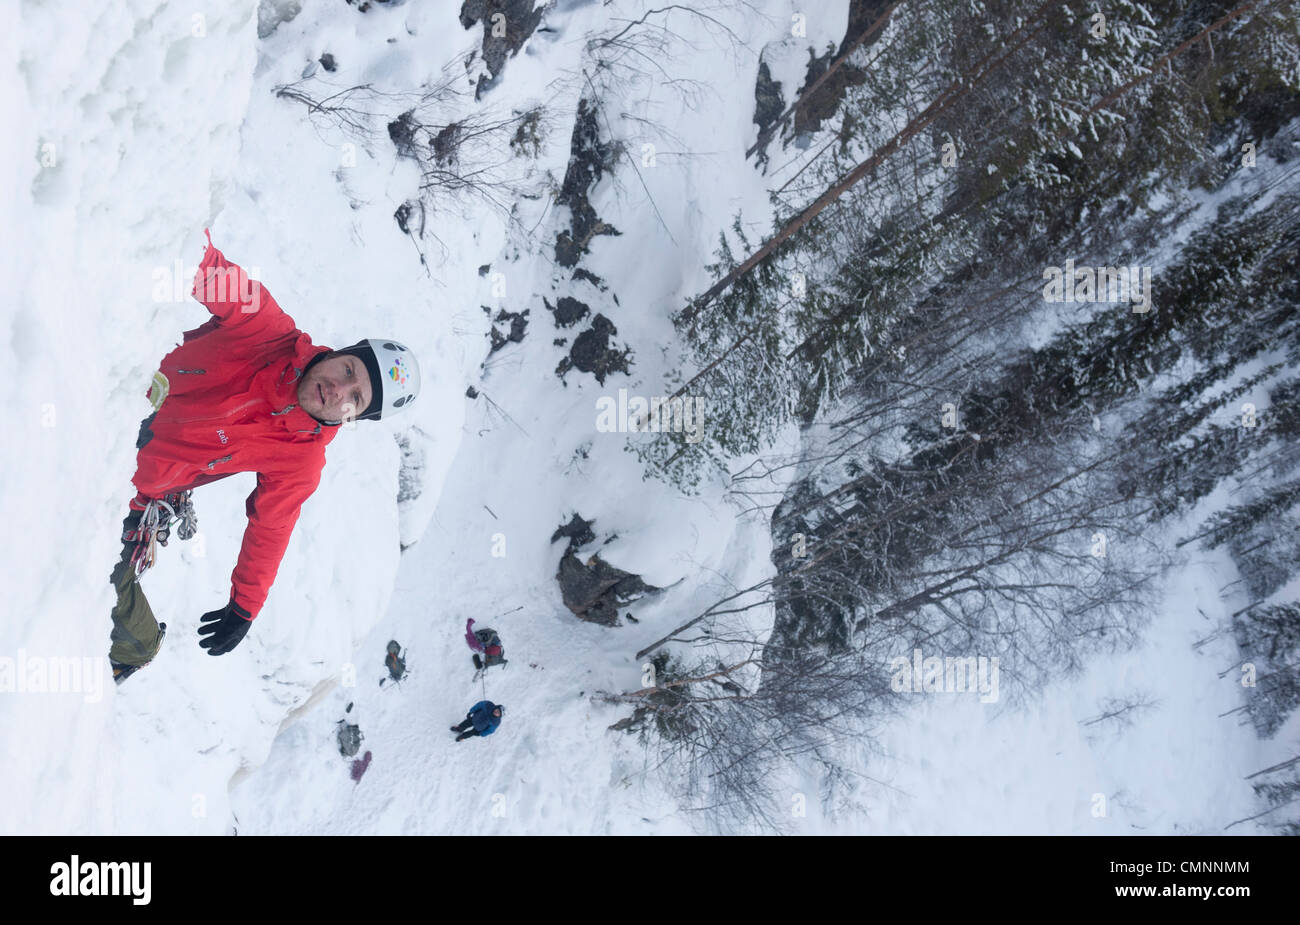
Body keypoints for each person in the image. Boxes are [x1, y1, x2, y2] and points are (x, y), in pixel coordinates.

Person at [109, 229, 422, 683]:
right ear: (341, 353)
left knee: (107, 611)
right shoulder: (268, 330)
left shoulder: (301, 459)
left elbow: (270, 529)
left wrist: (245, 605)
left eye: (355, 398)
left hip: (128, 490)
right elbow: (208, 268)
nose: (338, 390)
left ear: (356, 417)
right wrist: (175, 211)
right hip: (109, 400)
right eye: (349, 370)